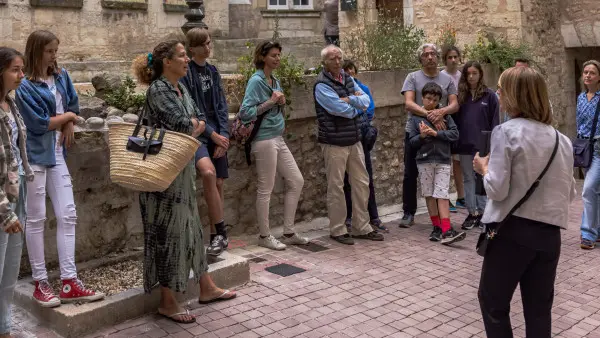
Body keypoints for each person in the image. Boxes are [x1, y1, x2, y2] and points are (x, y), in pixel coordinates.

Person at [131, 40, 236, 324]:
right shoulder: (159, 90)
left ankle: (206, 287)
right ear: (167, 61)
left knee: (192, 229)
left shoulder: (179, 87)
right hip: (163, 177)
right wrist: (194, 126)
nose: (187, 60)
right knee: (168, 235)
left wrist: (194, 125)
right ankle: (167, 302)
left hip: (182, 171)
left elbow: (198, 119)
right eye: (181, 56)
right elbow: (183, 125)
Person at [474, 66, 575, 338]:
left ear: (516, 95)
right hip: (549, 236)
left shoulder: (506, 132)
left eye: (502, 89)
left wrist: (483, 168)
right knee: (539, 311)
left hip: (511, 233)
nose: (498, 94)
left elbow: (496, 189)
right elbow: (569, 194)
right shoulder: (562, 140)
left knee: (493, 303)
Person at [15, 30, 104, 308]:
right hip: (34, 156)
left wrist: (67, 121)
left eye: (56, 49)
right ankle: (41, 282)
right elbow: (39, 123)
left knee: (68, 214)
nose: (55, 56)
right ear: (36, 52)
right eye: (50, 51)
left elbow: (74, 105)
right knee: (37, 218)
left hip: (57, 154)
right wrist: (66, 117)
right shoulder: (24, 86)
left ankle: (69, 280)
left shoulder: (62, 76)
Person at [239, 41, 309, 251]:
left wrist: (280, 102)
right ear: (262, 57)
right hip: (264, 140)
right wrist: (271, 102)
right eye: (273, 56)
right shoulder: (256, 80)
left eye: (279, 55)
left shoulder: (274, 79)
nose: (278, 59)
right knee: (265, 188)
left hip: (278, 137)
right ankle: (264, 235)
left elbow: (275, 105)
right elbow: (245, 113)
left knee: (296, 180)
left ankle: (288, 231)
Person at [314, 45, 384, 245]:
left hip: (354, 140)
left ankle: (362, 226)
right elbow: (340, 109)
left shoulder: (348, 78)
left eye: (339, 58)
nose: (337, 62)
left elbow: (365, 100)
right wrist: (356, 107)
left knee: (361, 182)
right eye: (332, 59)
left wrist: (350, 100)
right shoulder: (321, 84)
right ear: (324, 63)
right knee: (336, 186)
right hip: (334, 141)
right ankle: (337, 229)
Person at [181, 28, 230, 256]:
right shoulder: (187, 73)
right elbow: (195, 109)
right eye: (203, 44)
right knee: (209, 177)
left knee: (219, 183)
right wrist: (212, 134)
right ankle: (218, 234)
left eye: (209, 43)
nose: (208, 48)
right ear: (192, 48)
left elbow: (221, 104)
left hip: (217, 134)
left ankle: (216, 237)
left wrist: (224, 136)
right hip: (201, 134)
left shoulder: (212, 71)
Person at [399, 43, 459, 228]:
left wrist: (441, 113)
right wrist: (429, 114)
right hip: (415, 130)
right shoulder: (412, 77)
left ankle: (442, 212)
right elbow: (408, 103)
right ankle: (409, 212)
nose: (430, 57)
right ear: (421, 58)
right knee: (410, 173)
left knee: (440, 169)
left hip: (440, 132)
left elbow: (454, 104)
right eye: (426, 54)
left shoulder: (447, 79)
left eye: (433, 54)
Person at [0, 47, 34, 337]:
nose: (21, 76)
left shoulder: (11, 103)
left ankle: (4, 327)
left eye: (21, 69)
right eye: (15, 70)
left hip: (17, 191)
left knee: (10, 270)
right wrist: (5, 211)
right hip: (2, 202)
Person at [407, 82, 464, 244]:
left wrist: (436, 133)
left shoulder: (445, 116)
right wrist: (423, 137)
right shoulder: (415, 118)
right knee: (429, 194)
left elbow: (454, 134)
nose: (431, 102)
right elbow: (412, 141)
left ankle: (447, 229)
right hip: (424, 160)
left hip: (443, 160)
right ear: (422, 98)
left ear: (439, 100)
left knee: (442, 194)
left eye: (434, 99)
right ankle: (436, 227)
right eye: (428, 99)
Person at [453, 61, 499, 230]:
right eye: (468, 74)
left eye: (474, 73)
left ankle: (484, 213)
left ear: (480, 75)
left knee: (481, 178)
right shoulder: (461, 97)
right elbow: (456, 120)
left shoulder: (490, 96)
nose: (471, 77)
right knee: (468, 178)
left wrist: (492, 145)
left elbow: (495, 122)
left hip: (483, 146)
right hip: (465, 144)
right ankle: (472, 213)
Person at [341, 60, 386, 233]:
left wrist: (354, 111)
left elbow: (368, 109)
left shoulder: (363, 89)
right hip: (346, 138)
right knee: (346, 181)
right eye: (346, 70)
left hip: (361, 138)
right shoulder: (340, 90)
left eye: (351, 69)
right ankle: (349, 218)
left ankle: (373, 216)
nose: (349, 72)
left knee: (366, 178)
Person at [577, 60, 600, 250]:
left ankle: (588, 234)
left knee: (588, 189)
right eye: (585, 72)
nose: (588, 75)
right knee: (595, 192)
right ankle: (597, 229)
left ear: (598, 77)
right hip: (585, 149)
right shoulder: (581, 98)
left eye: (592, 73)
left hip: (599, 148)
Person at [441, 46, 466, 211]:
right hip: (443, 118)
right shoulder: (441, 76)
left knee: (457, 161)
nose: (453, 60)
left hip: (459, 120)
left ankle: (461, 196)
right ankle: (444, 198)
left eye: (455, 57)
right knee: (443, 161)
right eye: (450, 57)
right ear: (445, 59)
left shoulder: (462, 77)